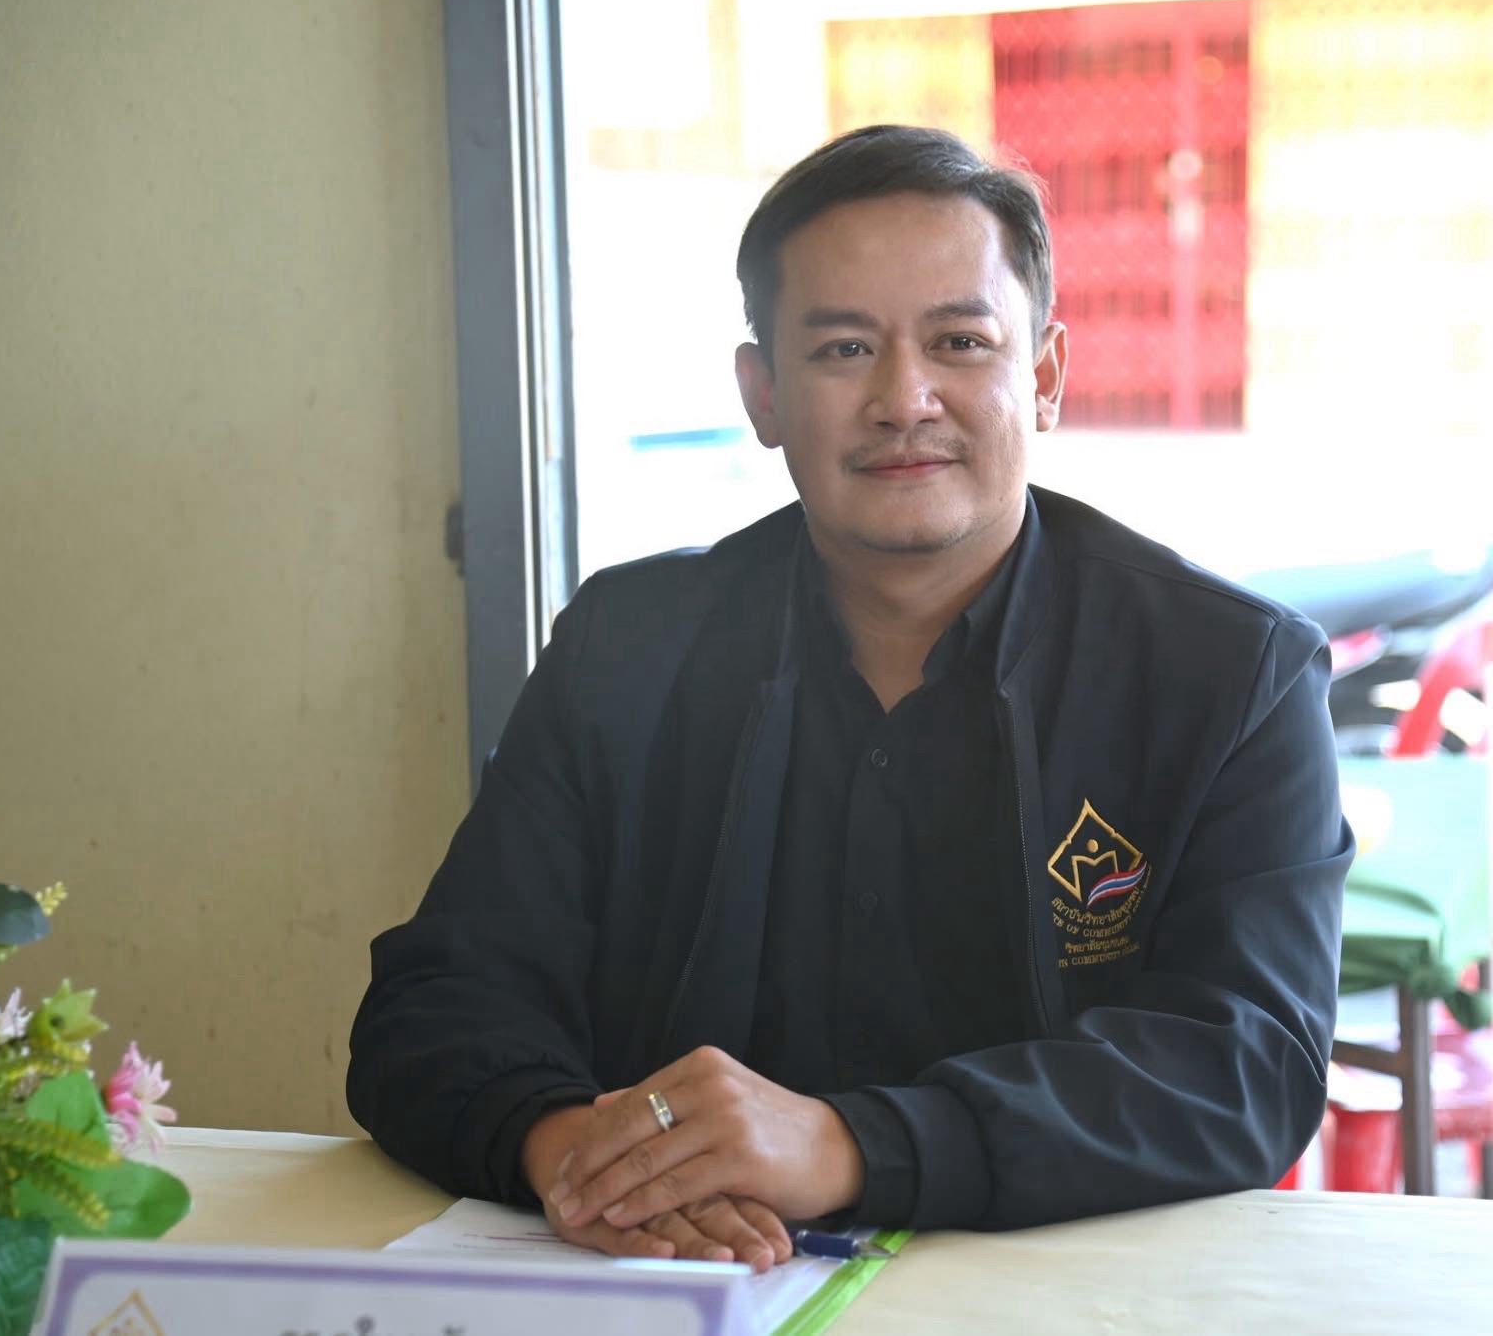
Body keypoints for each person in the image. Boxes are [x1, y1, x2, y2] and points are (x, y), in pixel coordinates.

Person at [348, 124, 1353, 1271]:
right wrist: (581, 1155)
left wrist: (842, 1146)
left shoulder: (1228, 673)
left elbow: (1242, 1064)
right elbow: (437, 1000)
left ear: (1043, 377)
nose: (902, 398)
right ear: (762, 394)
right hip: (686, 1280)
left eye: (960, 342)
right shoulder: (624, 650)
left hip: (1069, 1290)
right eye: (841, 350)